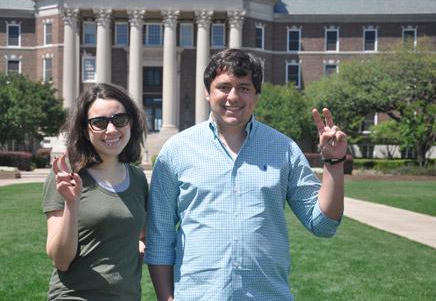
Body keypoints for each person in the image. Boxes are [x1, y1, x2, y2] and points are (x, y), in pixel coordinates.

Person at [145, 49, 347, 300]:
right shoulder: (176, 151)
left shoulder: (283, 149)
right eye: (224, 87)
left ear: (256, 95)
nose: (233, 97)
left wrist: (333, 163)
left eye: (244, 87)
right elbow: (160, 236)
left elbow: (323, 224)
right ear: (207, 93)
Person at [42, 83, 148, 300]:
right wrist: (72, 203)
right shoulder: (67, 175)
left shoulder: (137, 178)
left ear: (131, 122)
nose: (111, 130)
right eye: (99, 123)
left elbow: (143, 234)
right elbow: (61, 260)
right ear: (84, 129)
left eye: (119, 120)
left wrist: (137, 245)